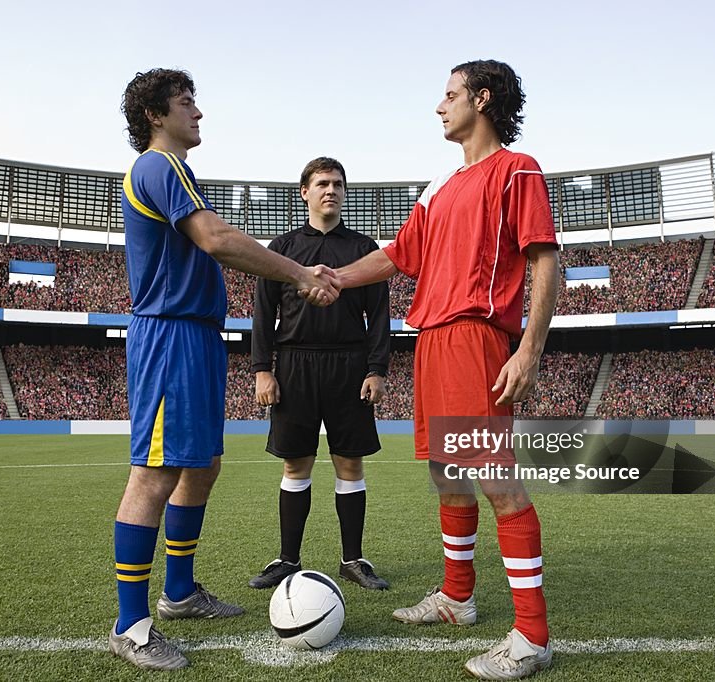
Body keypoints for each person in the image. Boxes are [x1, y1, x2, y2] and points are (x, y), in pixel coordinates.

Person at [331, 60, 561, 680]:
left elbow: (545, 263)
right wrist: (329, 278)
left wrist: (528, 350)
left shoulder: (518, 170)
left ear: (482, 100)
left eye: (451, 94)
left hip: (476, 337)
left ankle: (532, 636)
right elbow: (397, 257)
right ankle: (457, 597)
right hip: (431, 336)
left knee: (496, 480)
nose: (440, 105)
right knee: (447, 472)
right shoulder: (439, 187)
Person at [109, 68, 339, 672]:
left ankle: (179, 594)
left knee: (202, 466)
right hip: (169, 337)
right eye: (188, 104)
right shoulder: (158, 167)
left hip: (199, 339)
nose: (199, 114)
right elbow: (215, 238)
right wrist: (297, 273)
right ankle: (130, 625)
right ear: (156, 115)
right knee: (154, 473)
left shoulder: (177, 172)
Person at [248, 157, 391, 592]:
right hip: (293, 366)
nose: (331, 190)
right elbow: (262, 313)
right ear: (304, 192)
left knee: (350, 462)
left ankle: (354, 560)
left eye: (338, 184)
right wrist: (261, 371)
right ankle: (287, 559)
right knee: (296, 464)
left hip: (349, 366)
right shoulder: (282, 248)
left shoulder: (364, 248)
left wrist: (377, 369)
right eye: (322, 183)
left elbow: (379, 315)